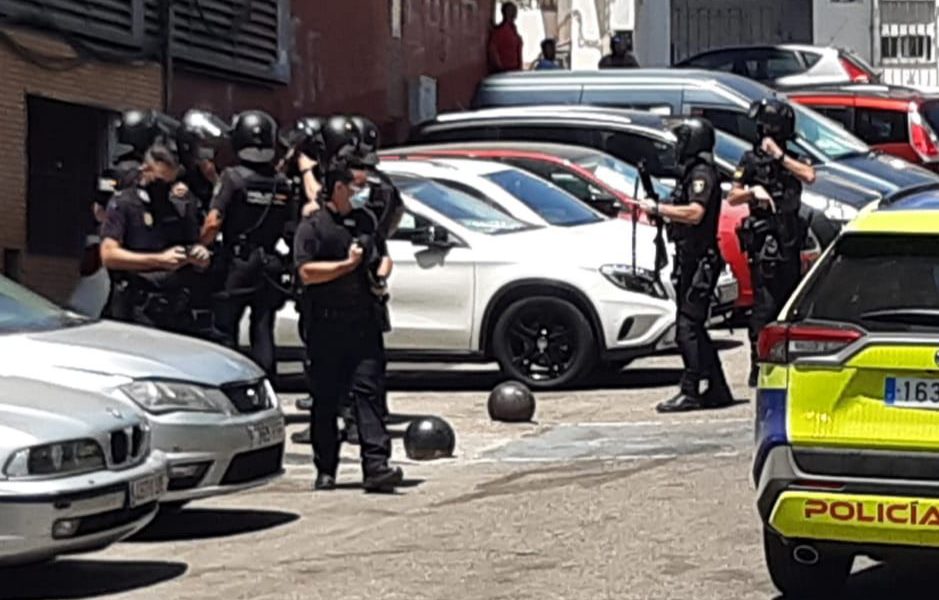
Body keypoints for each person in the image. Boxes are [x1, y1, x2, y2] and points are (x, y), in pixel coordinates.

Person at [294, 117, 402, 493]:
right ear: (338, 187)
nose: (362, 193)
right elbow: (306, 272)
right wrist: (344, 267)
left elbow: (383, 256)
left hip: (363, 323)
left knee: (368, 394)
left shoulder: (366, 220)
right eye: (356, 188)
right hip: (325, 325)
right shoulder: (314, 227)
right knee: (325, 400)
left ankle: (377, 465)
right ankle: (327, 469)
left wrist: (378, 272)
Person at [639, 118, 734, 413]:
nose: (677, 147)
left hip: (701, 260)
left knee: (687, 328)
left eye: (682, 141)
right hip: (688, 259)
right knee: (694, 327)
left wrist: (660, 209)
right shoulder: (689, 173)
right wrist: (661, 213)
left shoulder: (702, 174)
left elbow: (695, 213)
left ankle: (691, 390)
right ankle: (717, 387)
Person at [727, 98, 816, 388]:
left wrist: (780, 157)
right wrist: (754, 192)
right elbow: (733, 195)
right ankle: (759, 363)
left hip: (789, 242)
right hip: (766, 245)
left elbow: (809, 175)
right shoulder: (750, 159)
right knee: (764, 307)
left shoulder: (790, 158)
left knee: (791, 305)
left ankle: (788, 360)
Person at [201, 110, 294, 378]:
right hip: (270, 265)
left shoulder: (233, 177)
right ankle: (268, 387)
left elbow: (213, 222)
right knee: (263, 329)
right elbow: (290, 226)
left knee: (224, 330)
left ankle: (229, 387)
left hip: (237, 264)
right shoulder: (282, 183)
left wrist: (200, 245)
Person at [100, 145, 212, 333]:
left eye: (170, 182)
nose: (165, 188)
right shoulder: (125, 203)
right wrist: (160, 260)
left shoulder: (177, 206)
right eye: (159, 181)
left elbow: (192, 244)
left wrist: (199, 255)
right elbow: (109, 255)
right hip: (136, 304)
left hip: (175, 306)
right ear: (145, 170)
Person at [488, 2, 523, 74]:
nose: (515, 13)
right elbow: (493, 50)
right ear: (506, 12)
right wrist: (500, 68)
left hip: (514, 70)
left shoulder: (513, 30)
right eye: (512, 10)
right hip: (505, 70)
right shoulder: (500, 31)